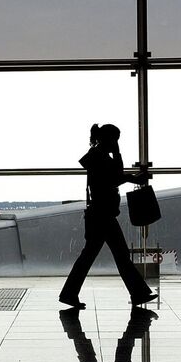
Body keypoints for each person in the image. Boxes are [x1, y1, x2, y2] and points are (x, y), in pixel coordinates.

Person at [60, 123, 157, 308]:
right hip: (102, 215)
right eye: (115, 140)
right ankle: (138, 293)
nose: (116, 143)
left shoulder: (97, 155)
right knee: (118, 256)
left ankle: (69, 293)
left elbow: (114, 175)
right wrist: (125, 166)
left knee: (93, 256)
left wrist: (119, 158)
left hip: (99, 214)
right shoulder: (98, 157)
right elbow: (114, 177)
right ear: (109, 139)